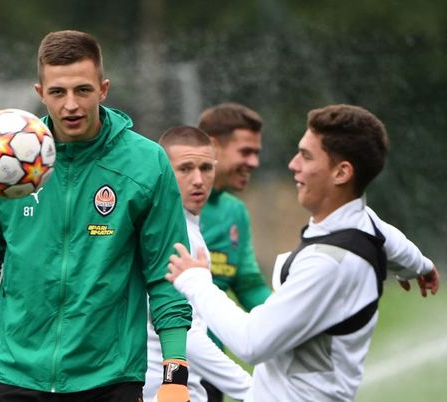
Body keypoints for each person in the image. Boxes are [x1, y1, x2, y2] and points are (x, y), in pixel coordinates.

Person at [0, 30, 193, 402]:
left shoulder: (146, 164)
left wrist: (175, 374)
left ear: (103, 89)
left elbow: (166, 274)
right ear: (40, 93)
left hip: (110, 380)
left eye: (83, 90)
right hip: (18, 376)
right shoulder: (6, 161)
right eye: (58, 92)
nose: (71, 104)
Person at [166, 104, 440, 402]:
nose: (293, 165)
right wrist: (420, 266)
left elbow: (251, 343)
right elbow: (392, 240)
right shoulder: (364, 222)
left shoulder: (327, 264)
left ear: (341, 172)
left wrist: (195, 281)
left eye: (306, 156)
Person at [144, 126, 252, 402]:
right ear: (163, 172)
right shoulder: (176, 237)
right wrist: (252, 390)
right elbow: (187, 336)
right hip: (168, 391)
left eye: (206, 168)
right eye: (185, 169)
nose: (198, 180)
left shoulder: (185, 227)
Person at [197, 102, 272, 401]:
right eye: (245, 152)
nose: (254, 162)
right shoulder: (160, 199)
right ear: (213, 146)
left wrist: (290, 320)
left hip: (212, 373)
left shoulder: (234, 213)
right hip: (157, 368)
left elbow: (249, 284)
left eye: (256, 153)